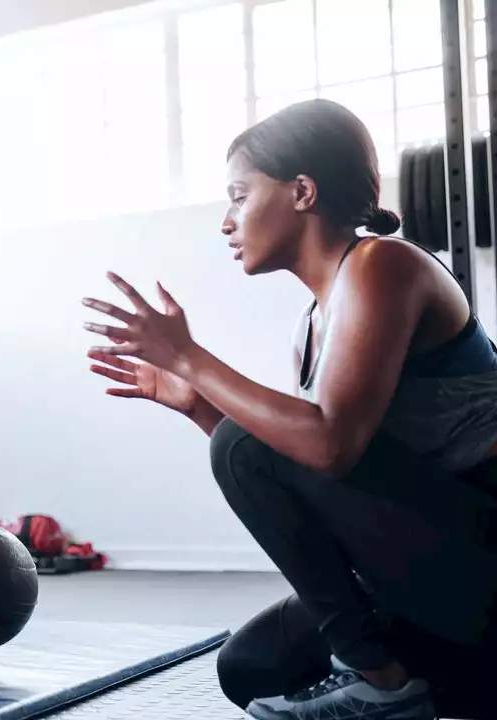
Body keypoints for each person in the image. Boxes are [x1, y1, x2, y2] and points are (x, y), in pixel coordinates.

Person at [82, 98, 497, 720]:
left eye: (239, 196)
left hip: (482, 557)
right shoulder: (311, 324)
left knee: (246, 443)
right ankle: (444, 685)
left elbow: (329, 446)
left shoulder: (383, 264)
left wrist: (193, 360)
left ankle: (383, 683)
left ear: (302, 190)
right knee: (251, 666)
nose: (226, 221)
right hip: (425, 567)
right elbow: (294, 465)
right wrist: (198, 406)